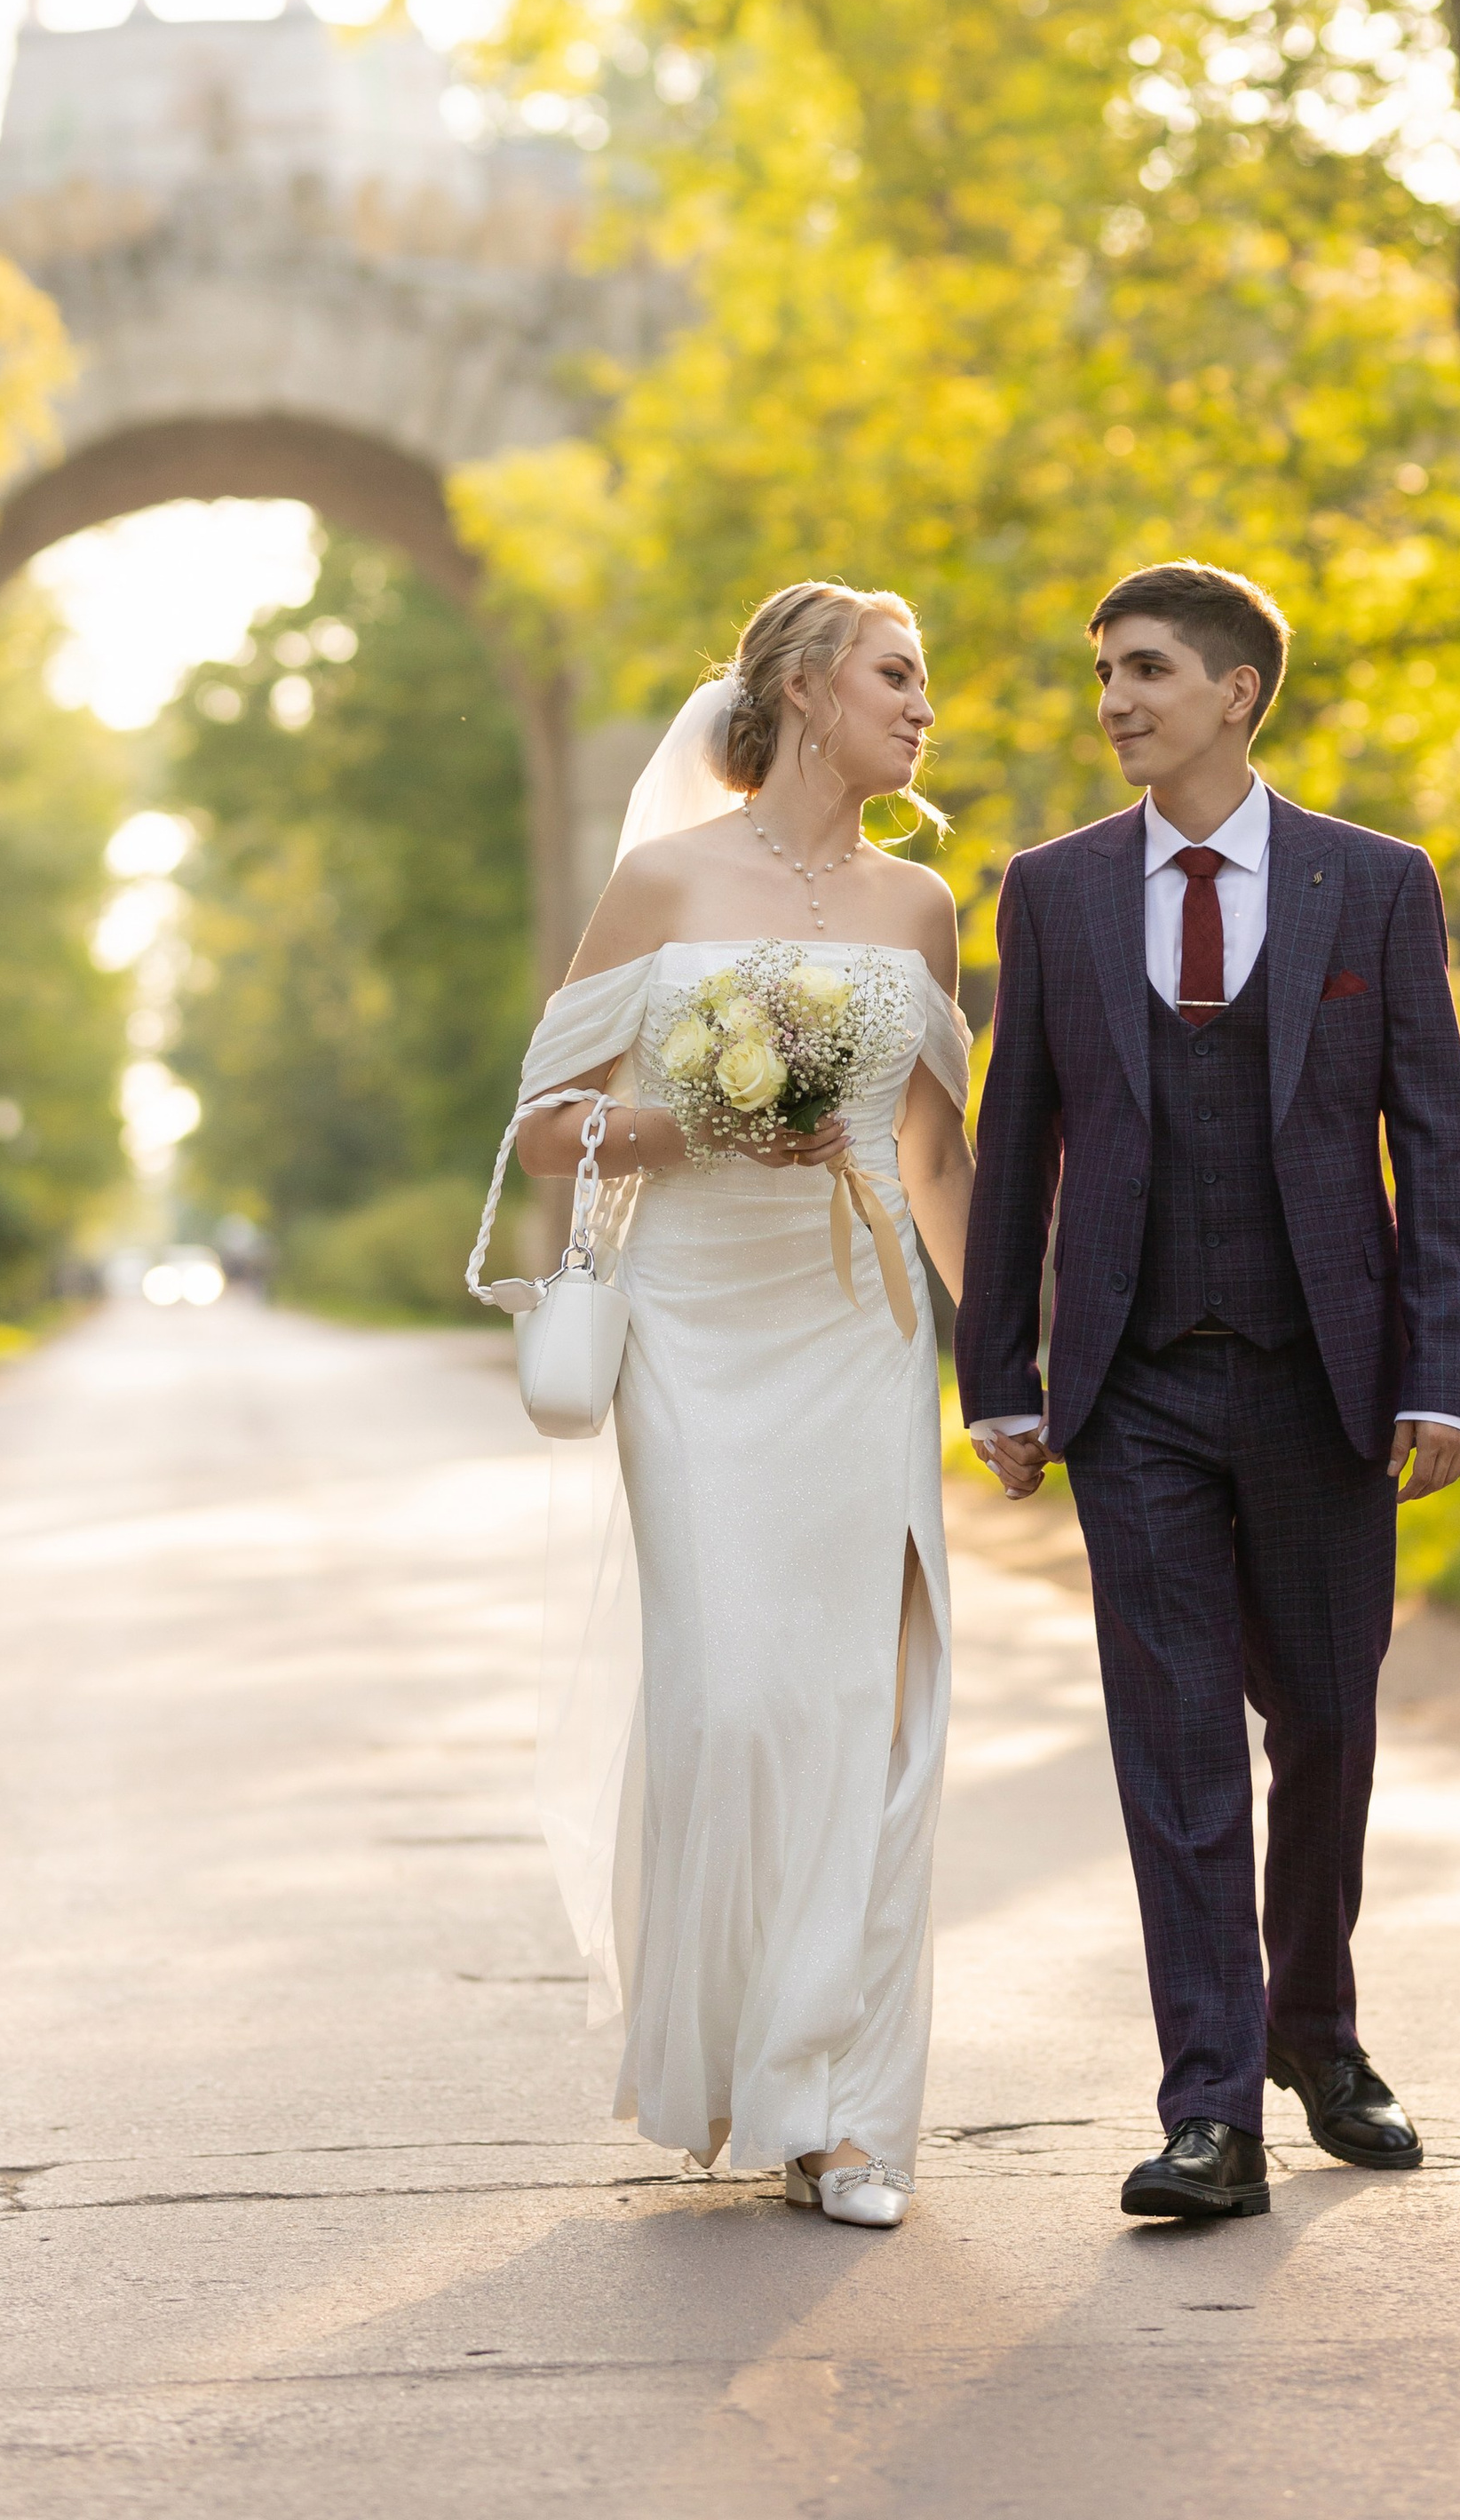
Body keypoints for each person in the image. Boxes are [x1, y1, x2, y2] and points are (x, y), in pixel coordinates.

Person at [956, 559, 1460, 2223]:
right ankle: (1210, 2111)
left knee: (1324, 1723)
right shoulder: (1051, 891)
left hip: (1327, 1378)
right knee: (1175, 1740)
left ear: (1237, 690)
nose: (1115, 700)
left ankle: (1316, 2031)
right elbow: (1017, 1139)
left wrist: (1443, 1374)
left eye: (1148, 670)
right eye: (1105, 672)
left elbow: (1434, 1138)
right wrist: (1001, 1374)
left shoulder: (1373, 882)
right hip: (1135, 1389)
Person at [508, 581, 972, 2230]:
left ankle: (836, 2110)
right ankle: (729, 2064)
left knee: (859, 1706)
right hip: (696, 1329)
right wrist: (688, 1120)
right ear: (805, 688)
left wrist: (1016, 1359)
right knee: (727, 1705)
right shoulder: (664, 881)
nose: (923, 707)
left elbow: (935, 1152)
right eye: (897, 674)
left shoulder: (921, 905)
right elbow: (545, 1126)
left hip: (861, 1326)